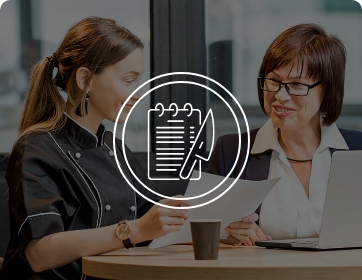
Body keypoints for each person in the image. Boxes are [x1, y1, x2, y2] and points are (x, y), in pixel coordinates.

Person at [0, 17, 192, 280]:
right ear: (85, 79)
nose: (139, 92)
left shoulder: (116, 149)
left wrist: (225, 227)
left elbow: (155, 221)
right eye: (129, 80)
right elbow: (40, 253)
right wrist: (133, 231)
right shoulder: (36, 149)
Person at [208, 23, 362, 245]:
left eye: (297, 84)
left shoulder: (358, 150)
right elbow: (202, 232)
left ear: (327, 90)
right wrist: (229, 235)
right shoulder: (231, 152)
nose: (280, 95)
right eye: (273, 81)